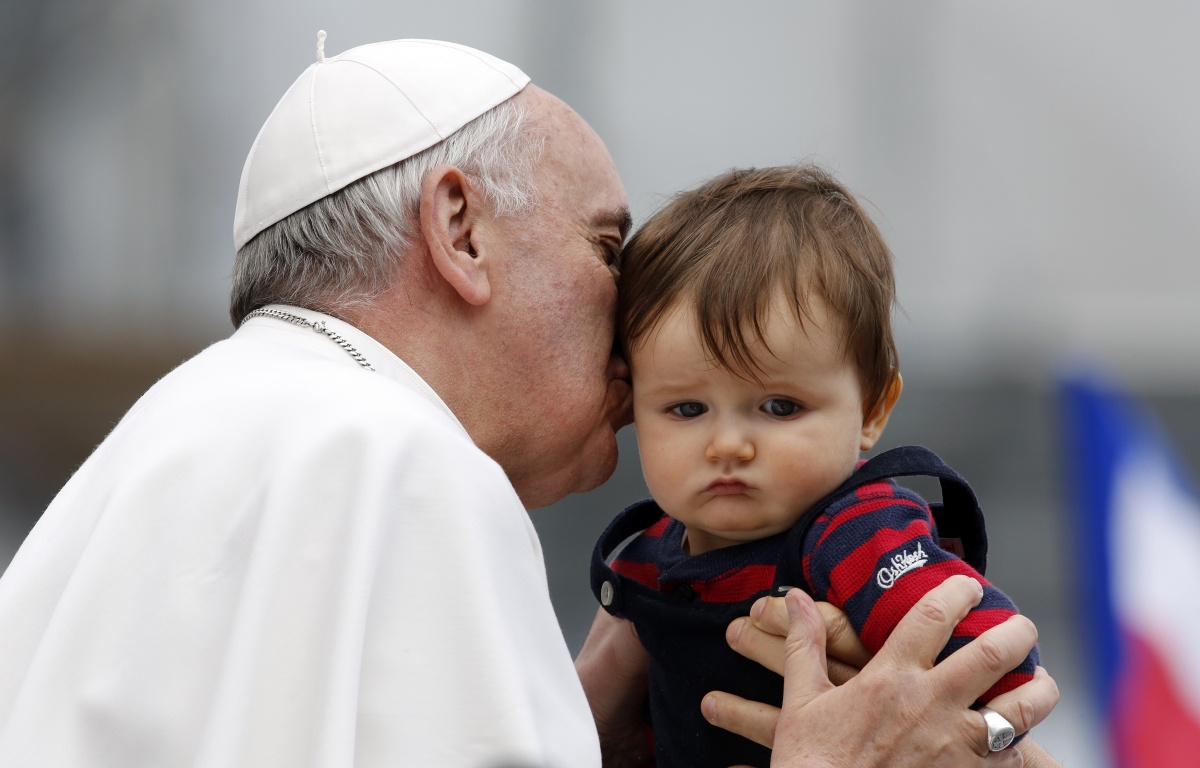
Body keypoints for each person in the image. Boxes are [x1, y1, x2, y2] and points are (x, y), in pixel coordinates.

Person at [0, 37, 1058, 766]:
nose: (636, 317)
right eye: (608, 246)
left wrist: (577, 725)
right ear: (460, 230)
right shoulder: (395, 457)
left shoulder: (170, 431)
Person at [589, 166, 1039, 767]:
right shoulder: (649, 556)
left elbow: (990, 662)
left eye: (779, 407)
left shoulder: (855, 536)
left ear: (872, 410)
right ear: (630, 407)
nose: (727, 444)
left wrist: (986, 721)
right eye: (687, 408)